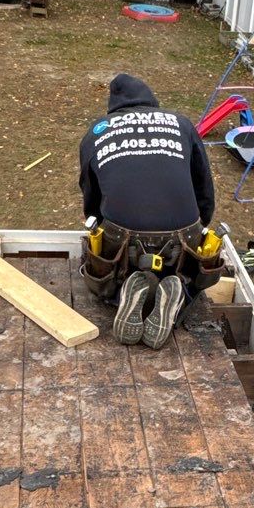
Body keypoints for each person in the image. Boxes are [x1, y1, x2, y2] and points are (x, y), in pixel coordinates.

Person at [78, 72, 220, 348]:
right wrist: (199, 226)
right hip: (183, 237)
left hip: (125, 240)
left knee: (100, 279)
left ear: (113, 106)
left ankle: (121, 294)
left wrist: (101, 233)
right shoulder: (181, 124)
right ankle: (179, 292)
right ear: (150, 99)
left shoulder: (97, 131)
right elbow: (204, 186)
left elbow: (91, 199)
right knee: (191, 278)